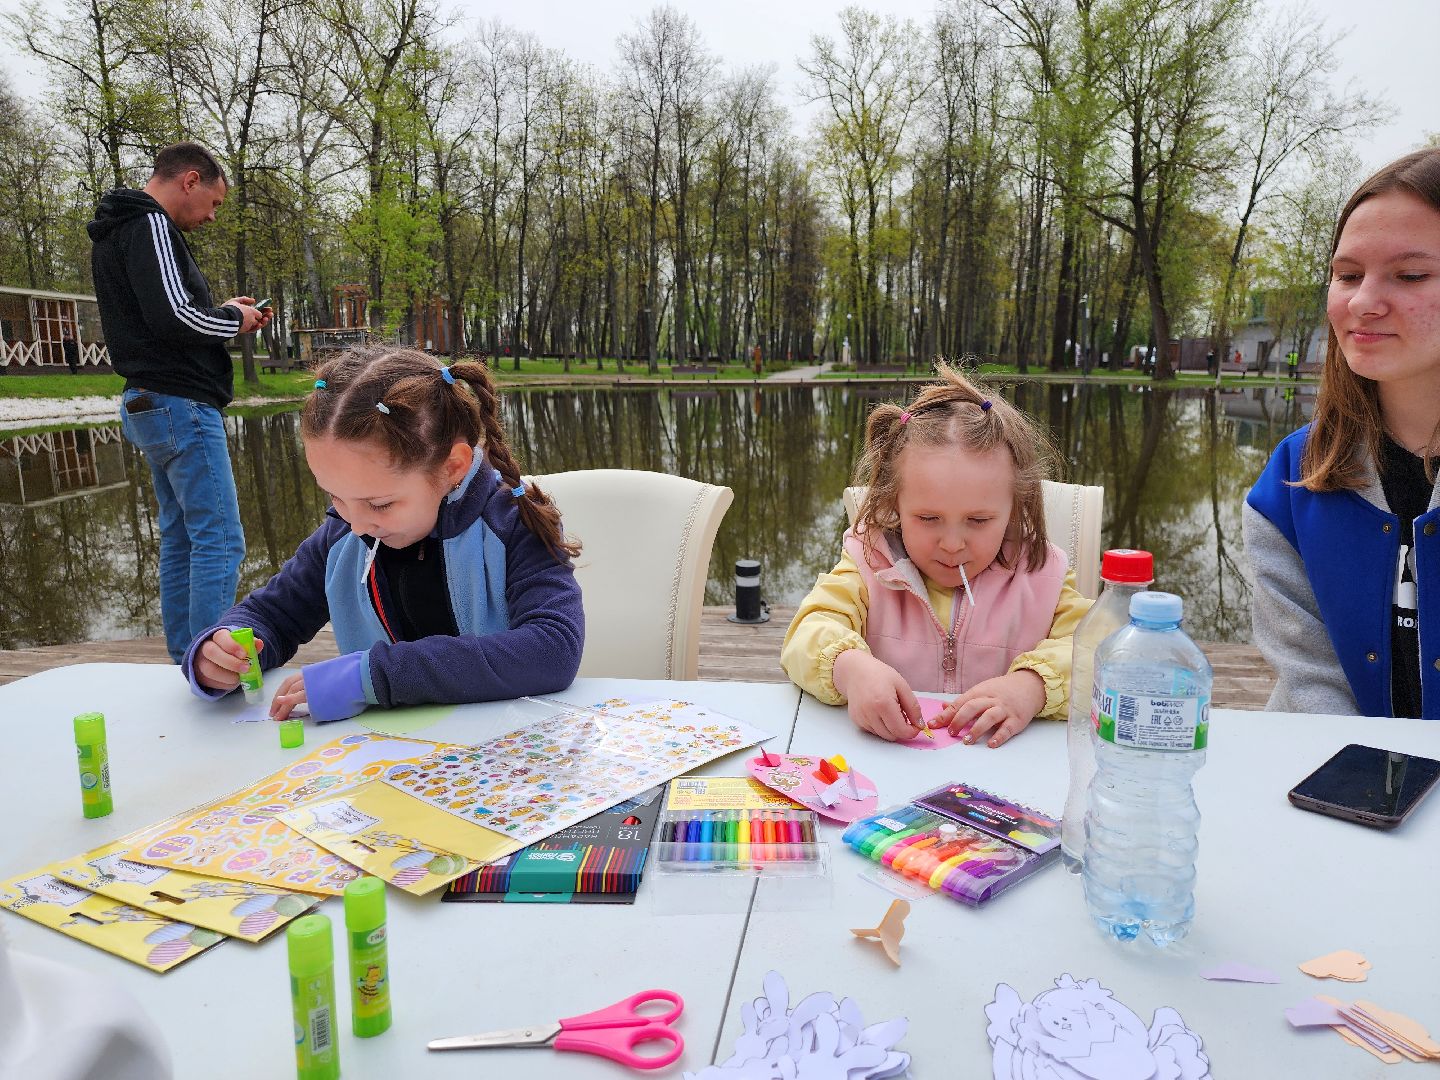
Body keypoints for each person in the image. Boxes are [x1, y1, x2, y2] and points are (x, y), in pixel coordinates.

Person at [182, 346, 585, 723]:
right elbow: (272, 615)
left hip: (510, 753)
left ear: (453, 467)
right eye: (336, 496)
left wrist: (372, 677)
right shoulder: (343, 532)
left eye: (379, 505)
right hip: (384, 759)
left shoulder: (515, 523)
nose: (356, 525)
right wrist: (222, 652)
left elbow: (553, 649)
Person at [780, 363, 1092, 746]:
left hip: (1003, 774)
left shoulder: (1042, 576)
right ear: (894, 502)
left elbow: (1098, 653)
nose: (952, 543)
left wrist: (1032, 687)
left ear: (1016, 506)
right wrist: (851, 670)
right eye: (928, 518)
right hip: (888, 770)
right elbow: (806, 632)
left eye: (978, 520)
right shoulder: (869, 565)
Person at [1245, 147, 1440, 719]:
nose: (1362, 302)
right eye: (1347, 275)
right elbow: (1309, 678)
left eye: (1410, 275)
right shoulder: (1291, 480)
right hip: (1328, 782)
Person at [87, 142, 270, 663]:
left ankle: (186, 659)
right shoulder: (149, 225)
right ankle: (212, 665)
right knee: (221, 540)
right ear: (190, 180)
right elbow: (177, 320)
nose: (211, 217)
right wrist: (236, 320)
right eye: (212, 202)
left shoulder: (115, 230)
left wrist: (221, 310)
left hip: (150, 401)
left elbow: (164, 314)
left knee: (182, 538)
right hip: (180, 402)